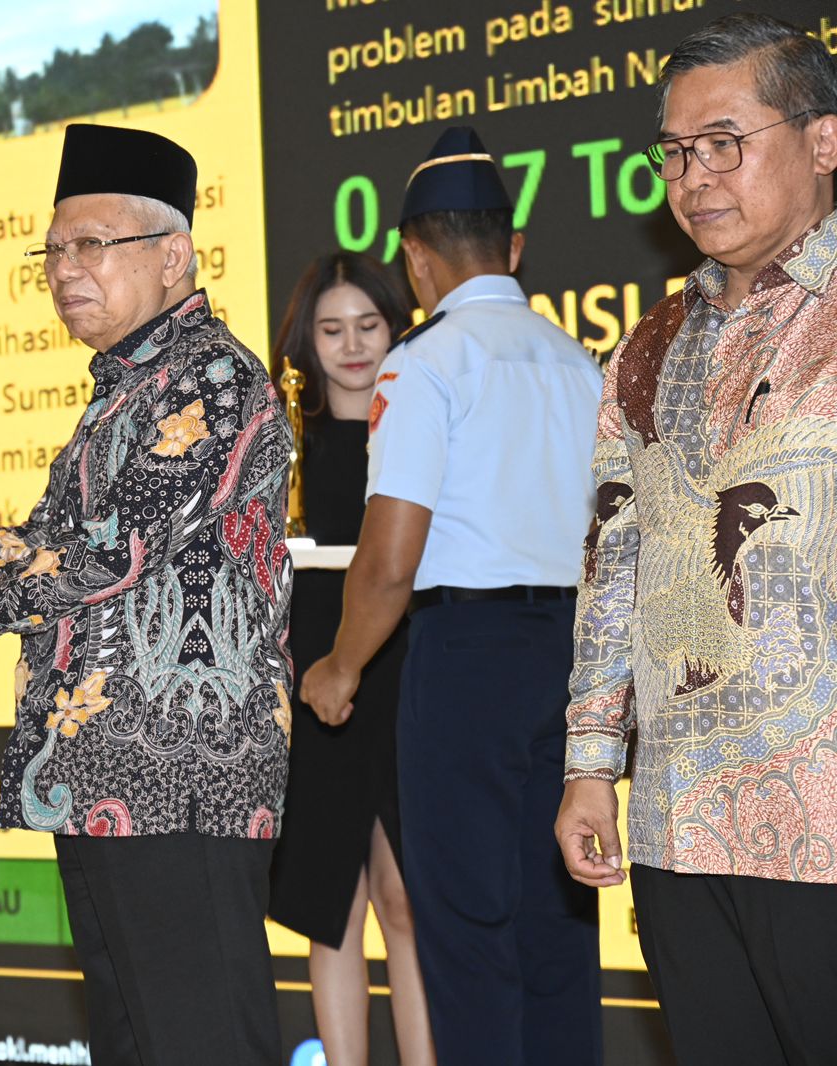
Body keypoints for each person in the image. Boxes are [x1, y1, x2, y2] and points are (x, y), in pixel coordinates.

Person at [0, 123, 293, 1066]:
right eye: (54, 251)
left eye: (92, 245)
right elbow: (52, 544)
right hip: (105, 773)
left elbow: (113, 551)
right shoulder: (126, 390)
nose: (66, 270)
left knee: (202, 1044)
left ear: (173, 256)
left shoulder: (213, 379)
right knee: (135, 1044)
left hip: (182, 775)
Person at [555, 14, 837, 1065]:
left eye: (725, 142)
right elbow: (613, 566)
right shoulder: (647, 345)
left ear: (822, 139)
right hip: (680, 826)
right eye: (675, 152)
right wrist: (591, 765)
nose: (694, 177)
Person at [298, 126, 604, 1066]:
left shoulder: (424, 362)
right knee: (557, 928)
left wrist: (341, 667)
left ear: (416, 259)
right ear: (514, 248)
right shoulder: (578, 362)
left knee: (467, 933)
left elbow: (390, 558)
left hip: (465, 660)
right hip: (569, 654)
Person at [266, 252, 435, 1066]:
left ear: (397, 328)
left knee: (407, 899)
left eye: (369, 325)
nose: (353, 345)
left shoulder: (420, 432)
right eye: (332, 330)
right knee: (331, 908)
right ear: (307, 340)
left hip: (407, 679)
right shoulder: (281, 445)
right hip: (314, 687)